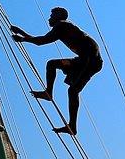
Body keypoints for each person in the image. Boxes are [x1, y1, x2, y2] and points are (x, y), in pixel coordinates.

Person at [10, 7, 102, 136]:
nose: (49, 18)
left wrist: (23, 37)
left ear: (59, 17)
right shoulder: (62, 27)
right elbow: (41, 40)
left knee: (72, 89)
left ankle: (55, 102)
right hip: (84, 61)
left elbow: (41, 41)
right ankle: (51, 97)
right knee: (54, 67)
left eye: (52, 15)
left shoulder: (62, 26)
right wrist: (22, 34)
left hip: (89, 62)